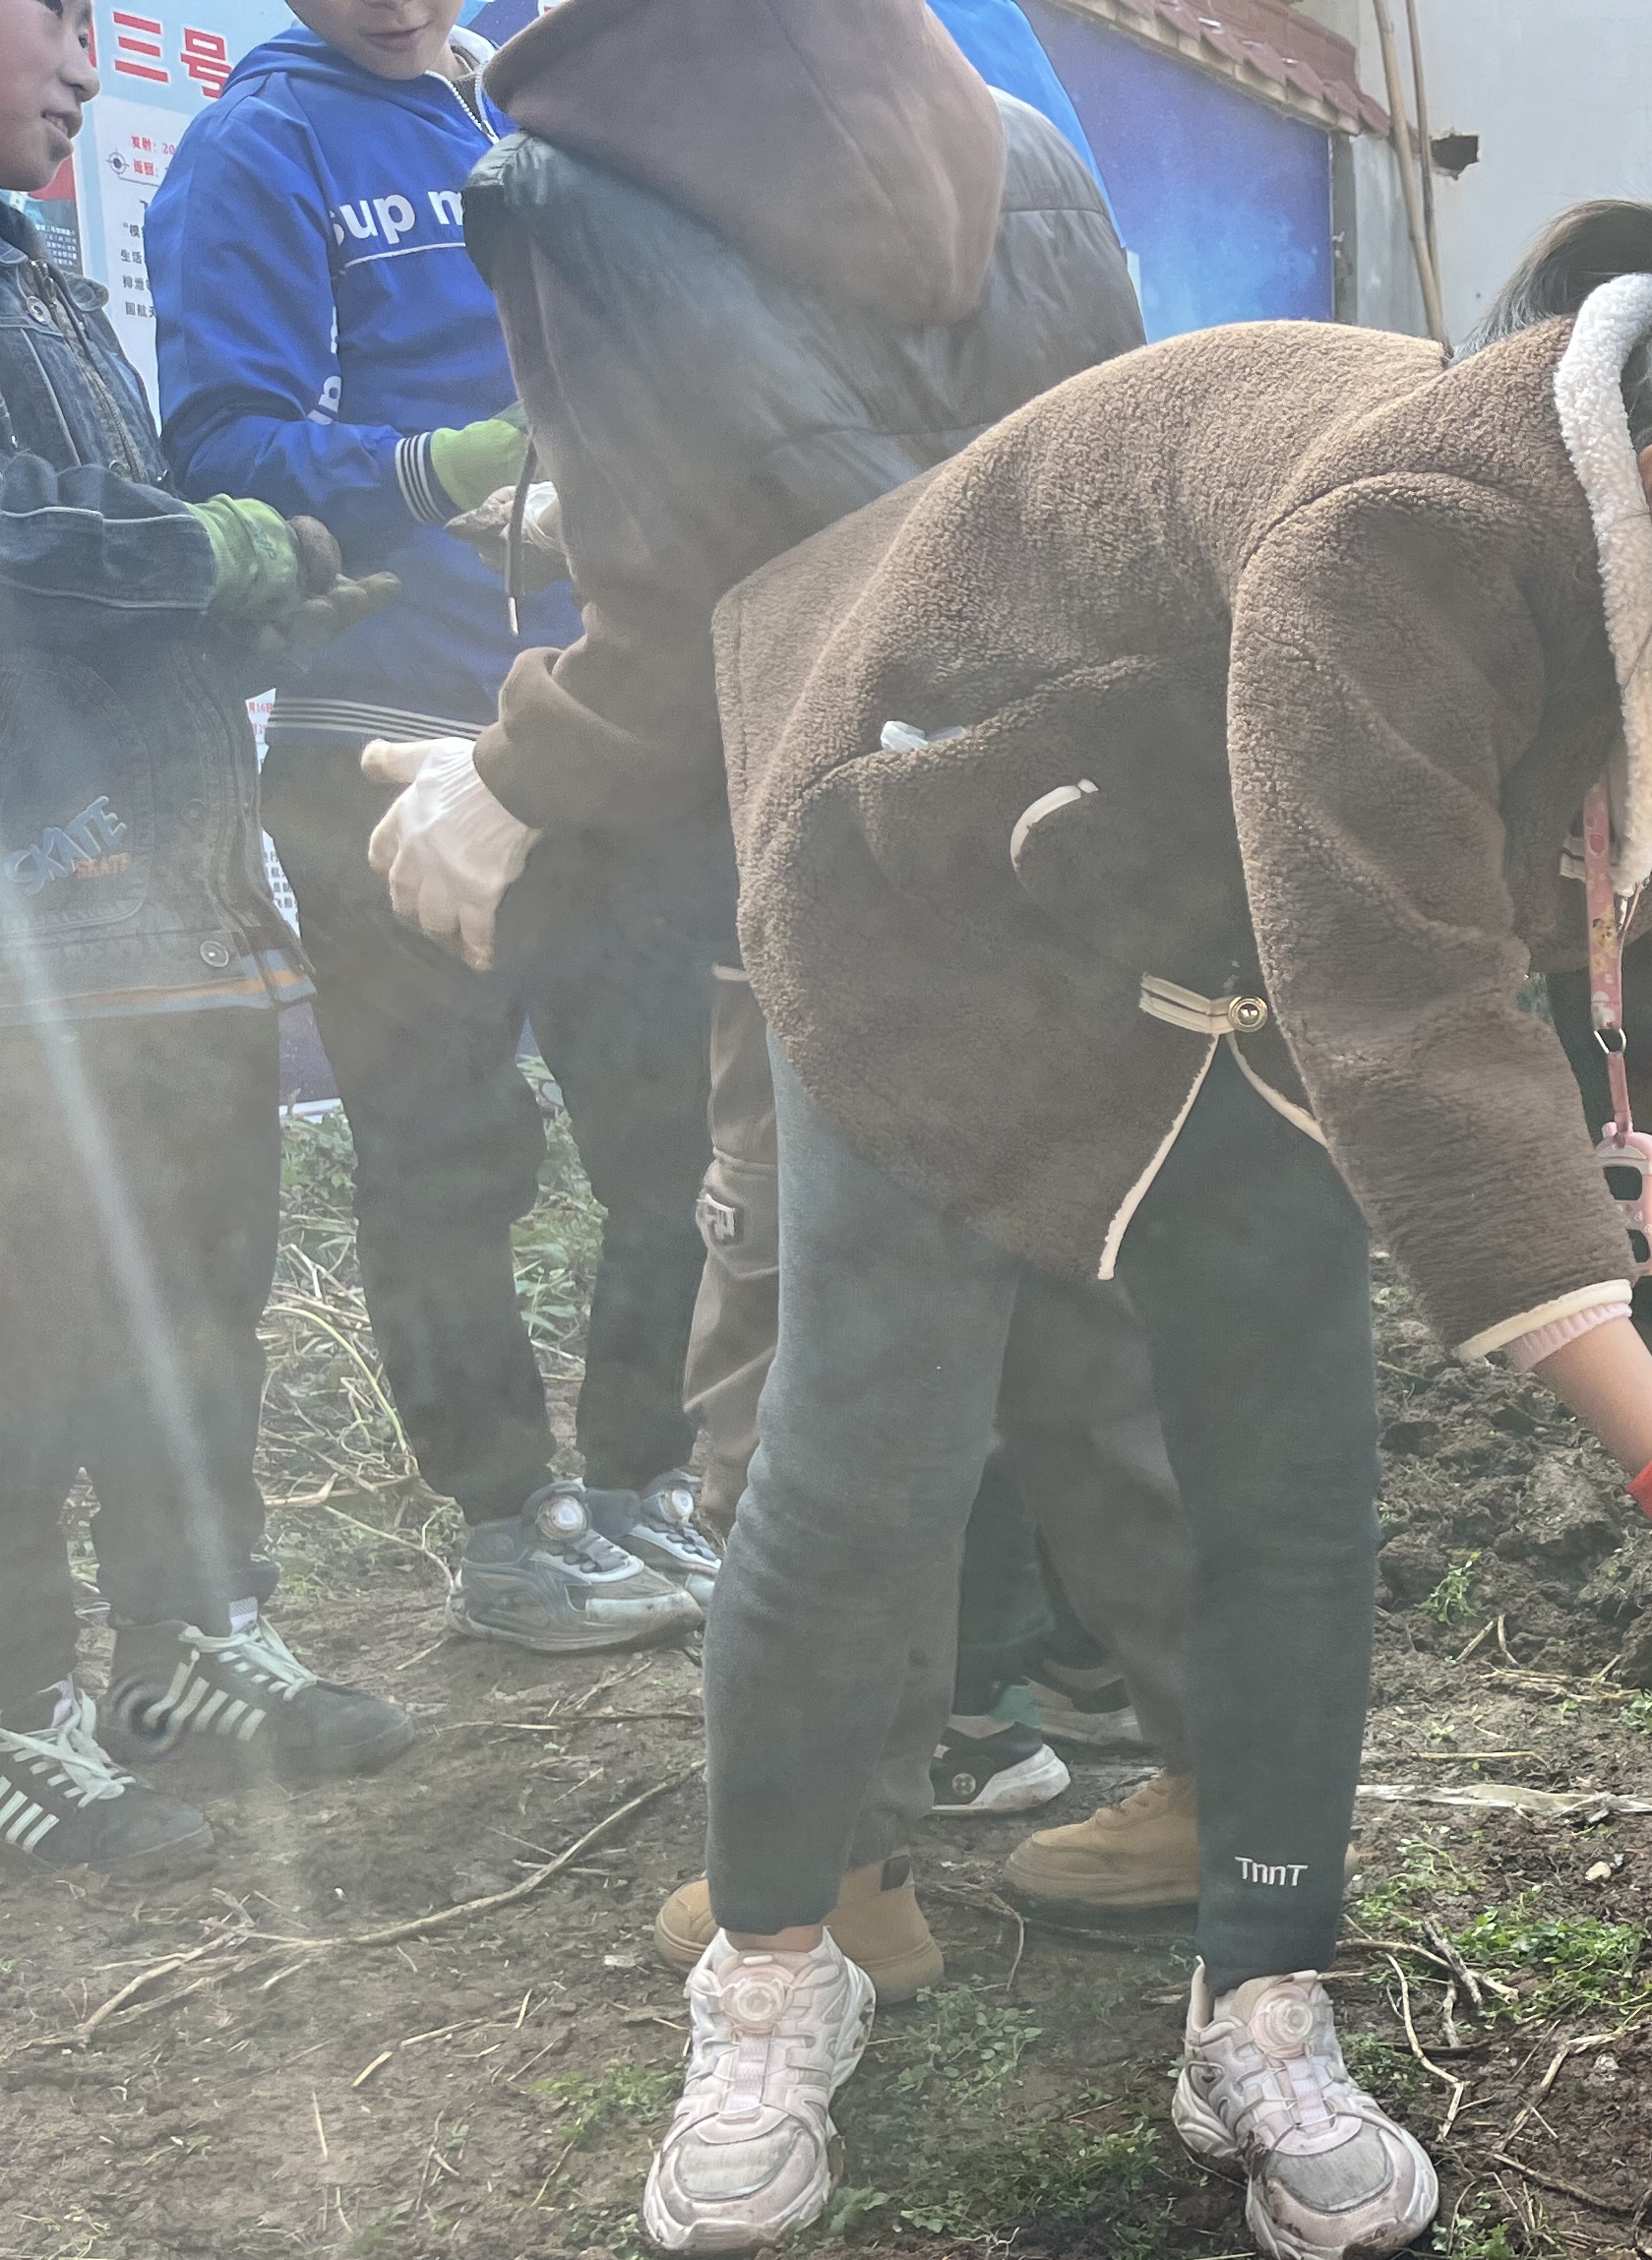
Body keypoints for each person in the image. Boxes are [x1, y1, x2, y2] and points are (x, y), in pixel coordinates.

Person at [655, 210, 1652, 2260]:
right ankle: (769, 1979)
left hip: (1222, 946)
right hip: (941, 901)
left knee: (1295, 1493)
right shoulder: (1411, 541)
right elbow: (1413, 1018)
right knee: (864, 1462)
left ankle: (1259, 2004)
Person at [403, 0, 1190, 1993]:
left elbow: (705, 610)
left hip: (836, 886)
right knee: (1113, 1354)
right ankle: (1225, 1791)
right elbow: (1076, 484)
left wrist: (507, 778)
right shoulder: (1019, 133)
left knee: (805, 1383)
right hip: (1077, 862)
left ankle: (839, 1877)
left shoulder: (570, 179)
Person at [150, 0, 714, 1657]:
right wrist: (428, 467)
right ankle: (506, 1522)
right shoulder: (258, 145)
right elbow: (221, 445)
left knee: (667, 1123)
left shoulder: (514, 108)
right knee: (445, 1146)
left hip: (587, 718)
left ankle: (641, 1480)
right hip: (376, 733)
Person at [0, 0, 416, 1873]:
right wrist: (203, 555)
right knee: (30, 1328)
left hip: (171, 894)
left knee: (190, 1294)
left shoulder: (43, 273)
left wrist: (257, 613)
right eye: (51, 17)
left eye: (102, 20)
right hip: (36, 920)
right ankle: (16, 1716)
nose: (86, 57)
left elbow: (99, 563)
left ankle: (188, 1639)